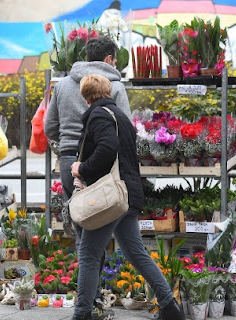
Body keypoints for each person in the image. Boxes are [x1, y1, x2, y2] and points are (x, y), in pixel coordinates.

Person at [70, 74, 185, 320]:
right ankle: (170, 307)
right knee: (136, 253)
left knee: (89, 254)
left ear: (86, 96)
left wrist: (83, 168)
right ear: (108, 92)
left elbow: (107, 149)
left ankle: (82, 314)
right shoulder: (120, 116)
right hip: (127, 195)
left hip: (111, 197)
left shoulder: (99, 115)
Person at [44, 35, 132, 317]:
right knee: (94, 239)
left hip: (69, 164)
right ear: (108, 59)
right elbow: (125, 127)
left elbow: (49, 127)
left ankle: (91, 301)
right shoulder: (115, 86)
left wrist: (69, 145)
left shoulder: (64, 84)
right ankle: (88, 305)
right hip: (99, 168)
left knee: (84, 234)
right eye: (115, 60)